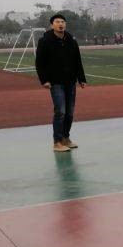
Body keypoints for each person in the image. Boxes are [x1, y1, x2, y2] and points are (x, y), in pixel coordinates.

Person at [35, 13, 87, 152]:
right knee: (61, 111)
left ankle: (65, 138)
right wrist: (44, 80)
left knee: (70, 113)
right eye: (57, 22)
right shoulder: (45, 41)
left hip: (70, 81)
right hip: (55, 82)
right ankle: (57, 142)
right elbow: (40, 62)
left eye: (63, 22)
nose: (60, 24)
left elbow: (77, 60)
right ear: (52, 25)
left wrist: (81, 78)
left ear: (65, 24)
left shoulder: (71, 40)